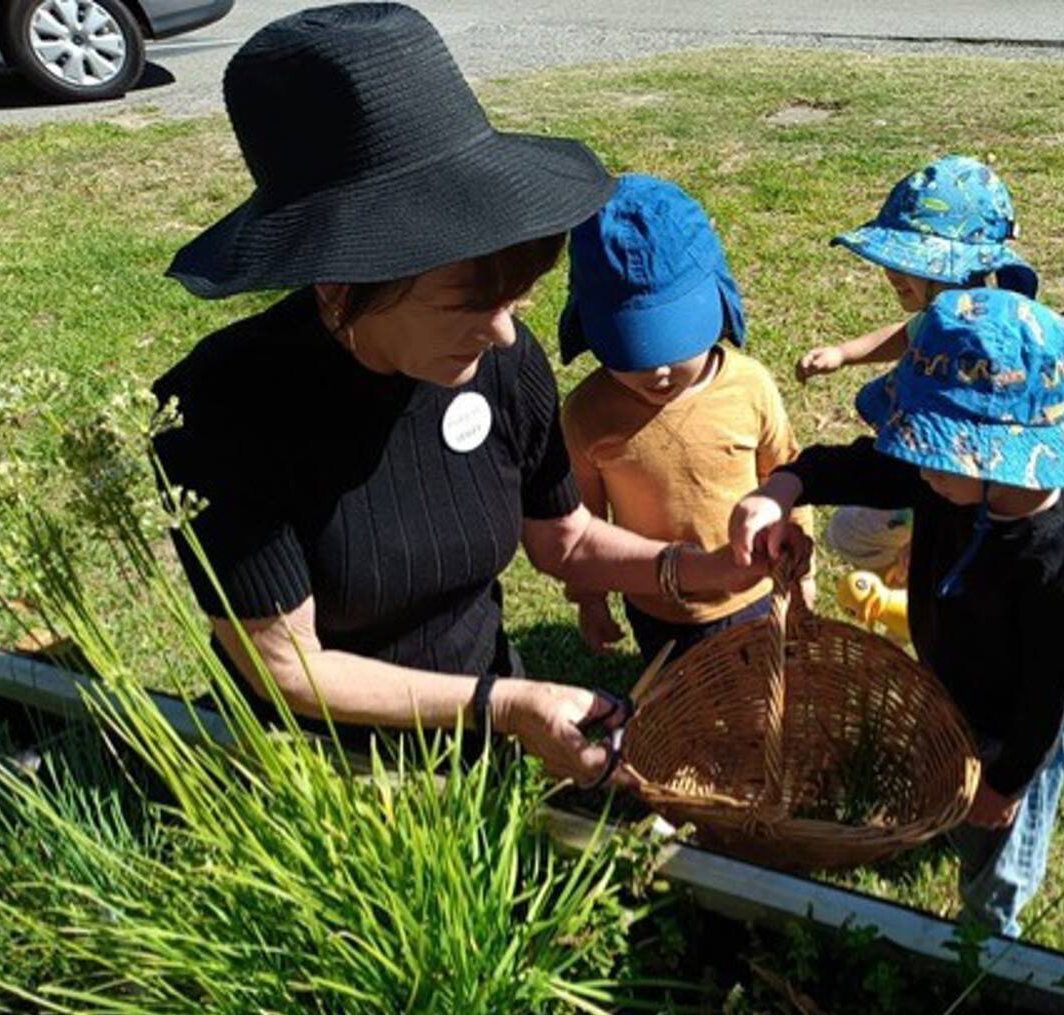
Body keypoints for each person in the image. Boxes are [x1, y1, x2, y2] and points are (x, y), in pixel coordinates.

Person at [151, 4, 764, 788]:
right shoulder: (224, 411)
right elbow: (288, 668)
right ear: (342, 287)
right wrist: (502, 705)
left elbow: (564, 540)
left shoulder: (500, 359)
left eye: (517, 298)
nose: (506, 334)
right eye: (470, 305)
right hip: (320, 772)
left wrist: (701, 569)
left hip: (484, 725)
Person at [732, 288, 1064, 938]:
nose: (914, 463)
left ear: (996, 460)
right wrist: (783, 488)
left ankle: (988, 942)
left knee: (996, 855)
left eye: (929, 451)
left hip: (1015, 733)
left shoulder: (1057, 569)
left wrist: (1007, 782)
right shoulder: (948, 477)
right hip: (953, 686)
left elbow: (1049, 697)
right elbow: (867, 467)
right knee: (956, 796)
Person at [557, 174, 813, 665]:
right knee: (682, 707)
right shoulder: (588, 415)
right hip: (655, 605)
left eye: (675, 342)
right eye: (630, 349)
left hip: (751, 593)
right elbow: (584, 525)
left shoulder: (750, 386)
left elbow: (787, 473)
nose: (656, 369)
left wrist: (802, 570)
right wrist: (590, 597)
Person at [795, 155, 1040, 597]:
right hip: (918, 460)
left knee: (849, 535)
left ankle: (913, 555)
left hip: (948, 476)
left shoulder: (984, 341)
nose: (890, 272)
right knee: (851, 531)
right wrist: (844, 354)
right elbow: (906, 335)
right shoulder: (941, 314)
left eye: (906, 261)